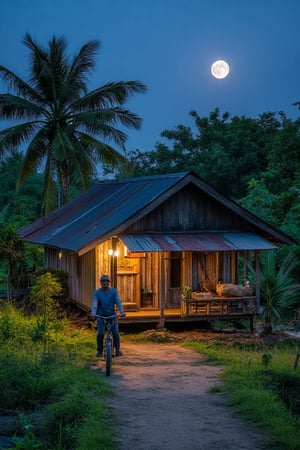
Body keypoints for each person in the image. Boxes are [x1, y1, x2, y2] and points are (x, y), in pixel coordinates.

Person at [91, 274, 125, 357]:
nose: (105, 283)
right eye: (103, 281)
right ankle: (99, 351)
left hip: (112, 316)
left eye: (106, 281)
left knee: (115, 332)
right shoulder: (97, 292)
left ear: (109, 282)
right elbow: (95, 303)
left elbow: (118, 302)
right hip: (101, 316)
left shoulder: (113, 292)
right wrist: (93, 313)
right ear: (100, 282)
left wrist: (122, 312)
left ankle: (117, 350)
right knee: (101, 333)